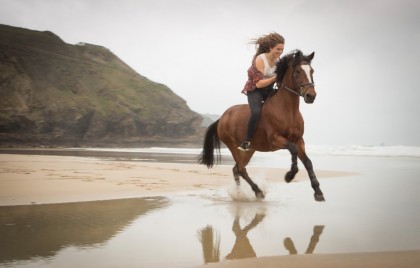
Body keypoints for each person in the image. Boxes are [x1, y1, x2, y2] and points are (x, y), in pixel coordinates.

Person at [238, 32, 285, 151]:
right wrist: (276, 78)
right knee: (256, 112)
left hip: (269, 89)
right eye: (277, 49)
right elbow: (259, 84)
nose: (280, 52)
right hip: (255, 90)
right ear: (270, 48)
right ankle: (247, 141)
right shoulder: (260, 59)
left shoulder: (279, 62)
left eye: (282, 49)